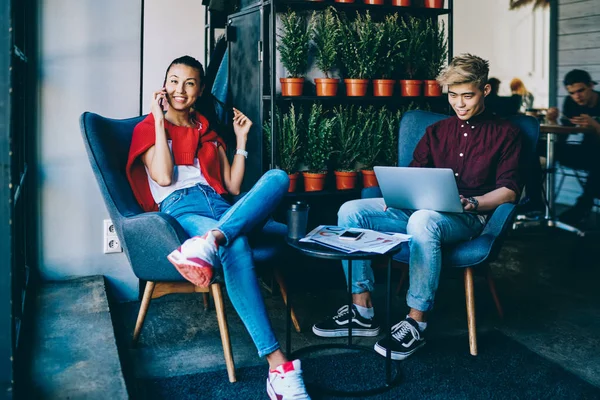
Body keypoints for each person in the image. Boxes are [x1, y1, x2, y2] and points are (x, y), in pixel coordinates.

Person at [312, 54, 523, 361]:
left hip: (467, 217)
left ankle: (416, 321)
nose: (460, 104)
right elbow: (414, 174)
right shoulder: (437, 131)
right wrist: (395, 195)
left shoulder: (507, 134)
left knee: (423, 220)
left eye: (468, 95)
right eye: (453, 96)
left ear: (485, 91)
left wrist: (473, 202)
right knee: (350, 211)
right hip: (416, 211)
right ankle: (361, 310)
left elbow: (510, 191)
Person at [125, 55, 310, 400]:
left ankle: (214, 239)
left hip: (222, 208)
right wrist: (157, 121)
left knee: (278, 178)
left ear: (200, 90)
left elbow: (233, 186)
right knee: (236, 245)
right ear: (164, 84)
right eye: (174, 80)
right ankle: (278, 366)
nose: (180, 89)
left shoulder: (207, 130)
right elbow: (164, 177)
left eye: (189, 83)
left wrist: (240, 140)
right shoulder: (147, 128)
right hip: (182, 206)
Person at [546, 69, 600, 225]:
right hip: (585, 152)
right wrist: (553, 122)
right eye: (572, 93)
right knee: (541, 149)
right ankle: (535, 202)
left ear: (591, 85)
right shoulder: (571, 103)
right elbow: (563, 138)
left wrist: (595, 125)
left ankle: (582, 207)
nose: (577, 96)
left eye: (581, 90)